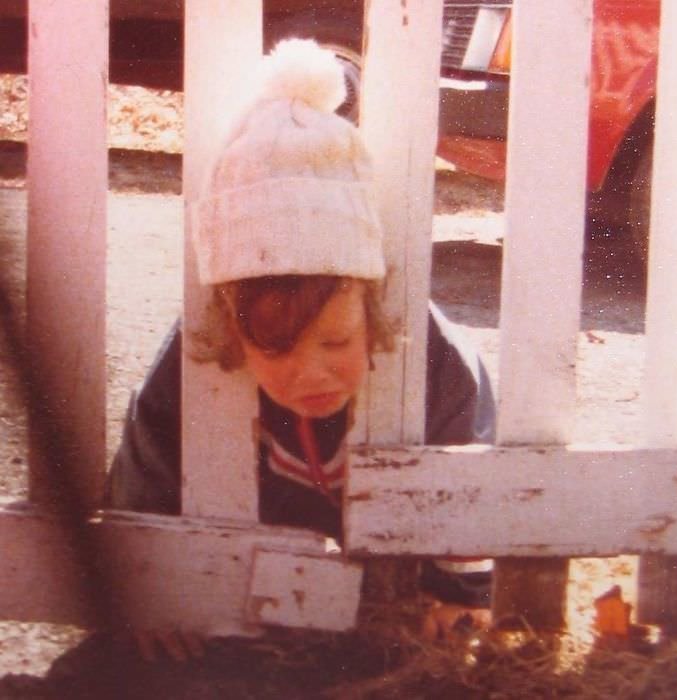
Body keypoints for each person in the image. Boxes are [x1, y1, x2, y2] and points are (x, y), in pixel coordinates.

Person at [104, 38, 495, 660]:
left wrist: (460, 587)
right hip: (255, 564)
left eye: (336, 340)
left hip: (377, 577)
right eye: (277, 352)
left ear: (371, 305)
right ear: (234, 333)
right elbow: (142, 479)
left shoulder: (439, 365)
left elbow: (470, 474)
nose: (311, 373)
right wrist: (152, 584)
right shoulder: (187, 372)